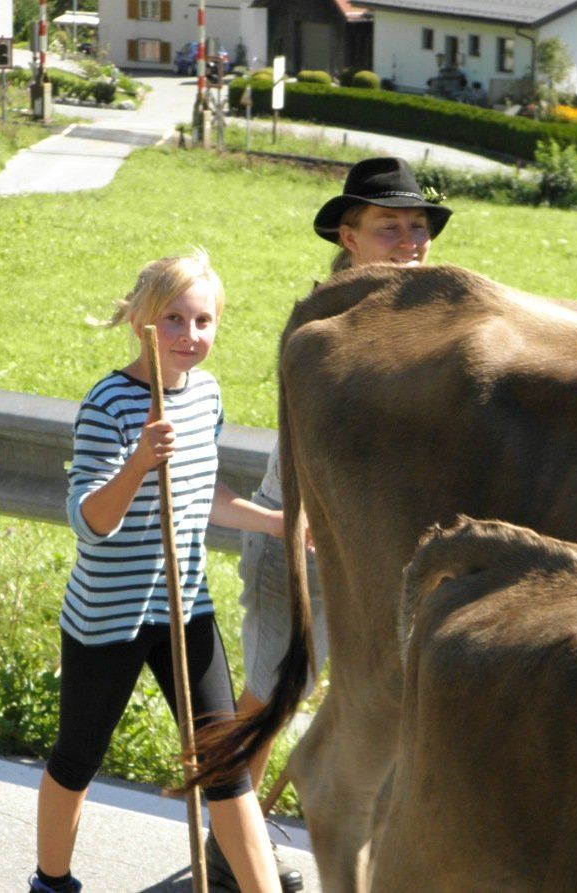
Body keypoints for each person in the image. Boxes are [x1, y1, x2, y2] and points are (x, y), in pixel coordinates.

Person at [30, 250, 303, 893]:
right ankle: (51, 883)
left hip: (184, 606)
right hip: (108, 617)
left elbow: (200, 492)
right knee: (77, 758)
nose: (189, 334)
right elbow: (90, 519)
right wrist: (137, 463)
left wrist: (277, 522)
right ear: (140, 321)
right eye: (173, 319)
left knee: (225, 762)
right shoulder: (109, 403)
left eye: (203, 321)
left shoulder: (205, 394)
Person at [232, 156, 453, 801]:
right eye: (390, 227)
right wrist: (302, 519)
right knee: (274, 695)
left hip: (376, 543)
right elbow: (311, 437)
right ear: (348, 238)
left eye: (418, 226)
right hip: (301, 530)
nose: (410, 242)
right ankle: (227, 833)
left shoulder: (432, 318)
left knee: (364, 698)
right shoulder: (326, 325)